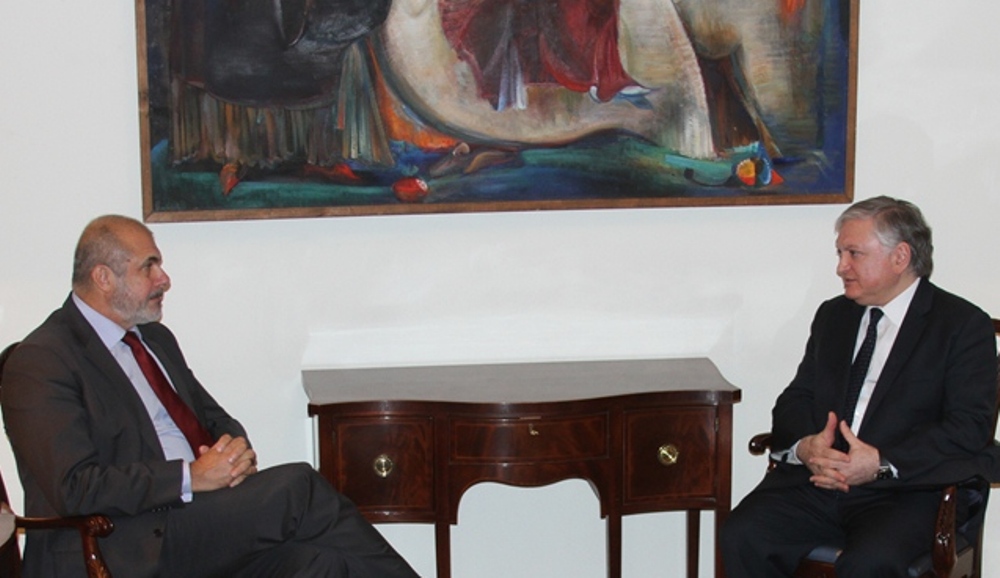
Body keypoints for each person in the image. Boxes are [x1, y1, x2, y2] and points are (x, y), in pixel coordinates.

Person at [0, 215, 420, 578]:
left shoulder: (155, 340)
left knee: (320, 564)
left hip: (195, 522)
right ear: (103, 278)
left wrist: (232, 452)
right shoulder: (42, 361)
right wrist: (191, 476)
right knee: (297, 487)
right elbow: (75, 487)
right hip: (122, 540)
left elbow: (213, 418)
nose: (164, 279)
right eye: (149, 266)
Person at [721, 196, 999, 577]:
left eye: (854, 253)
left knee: (868, 563)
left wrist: (880, 463)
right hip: (819, 483)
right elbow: (795, 399)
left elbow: (968, 427)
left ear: (900, 257)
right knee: (742, 534)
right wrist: (807, 447)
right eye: (840, 253)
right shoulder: (834, 315)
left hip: (907, 493)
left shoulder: (961, 326)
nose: (841, 266)